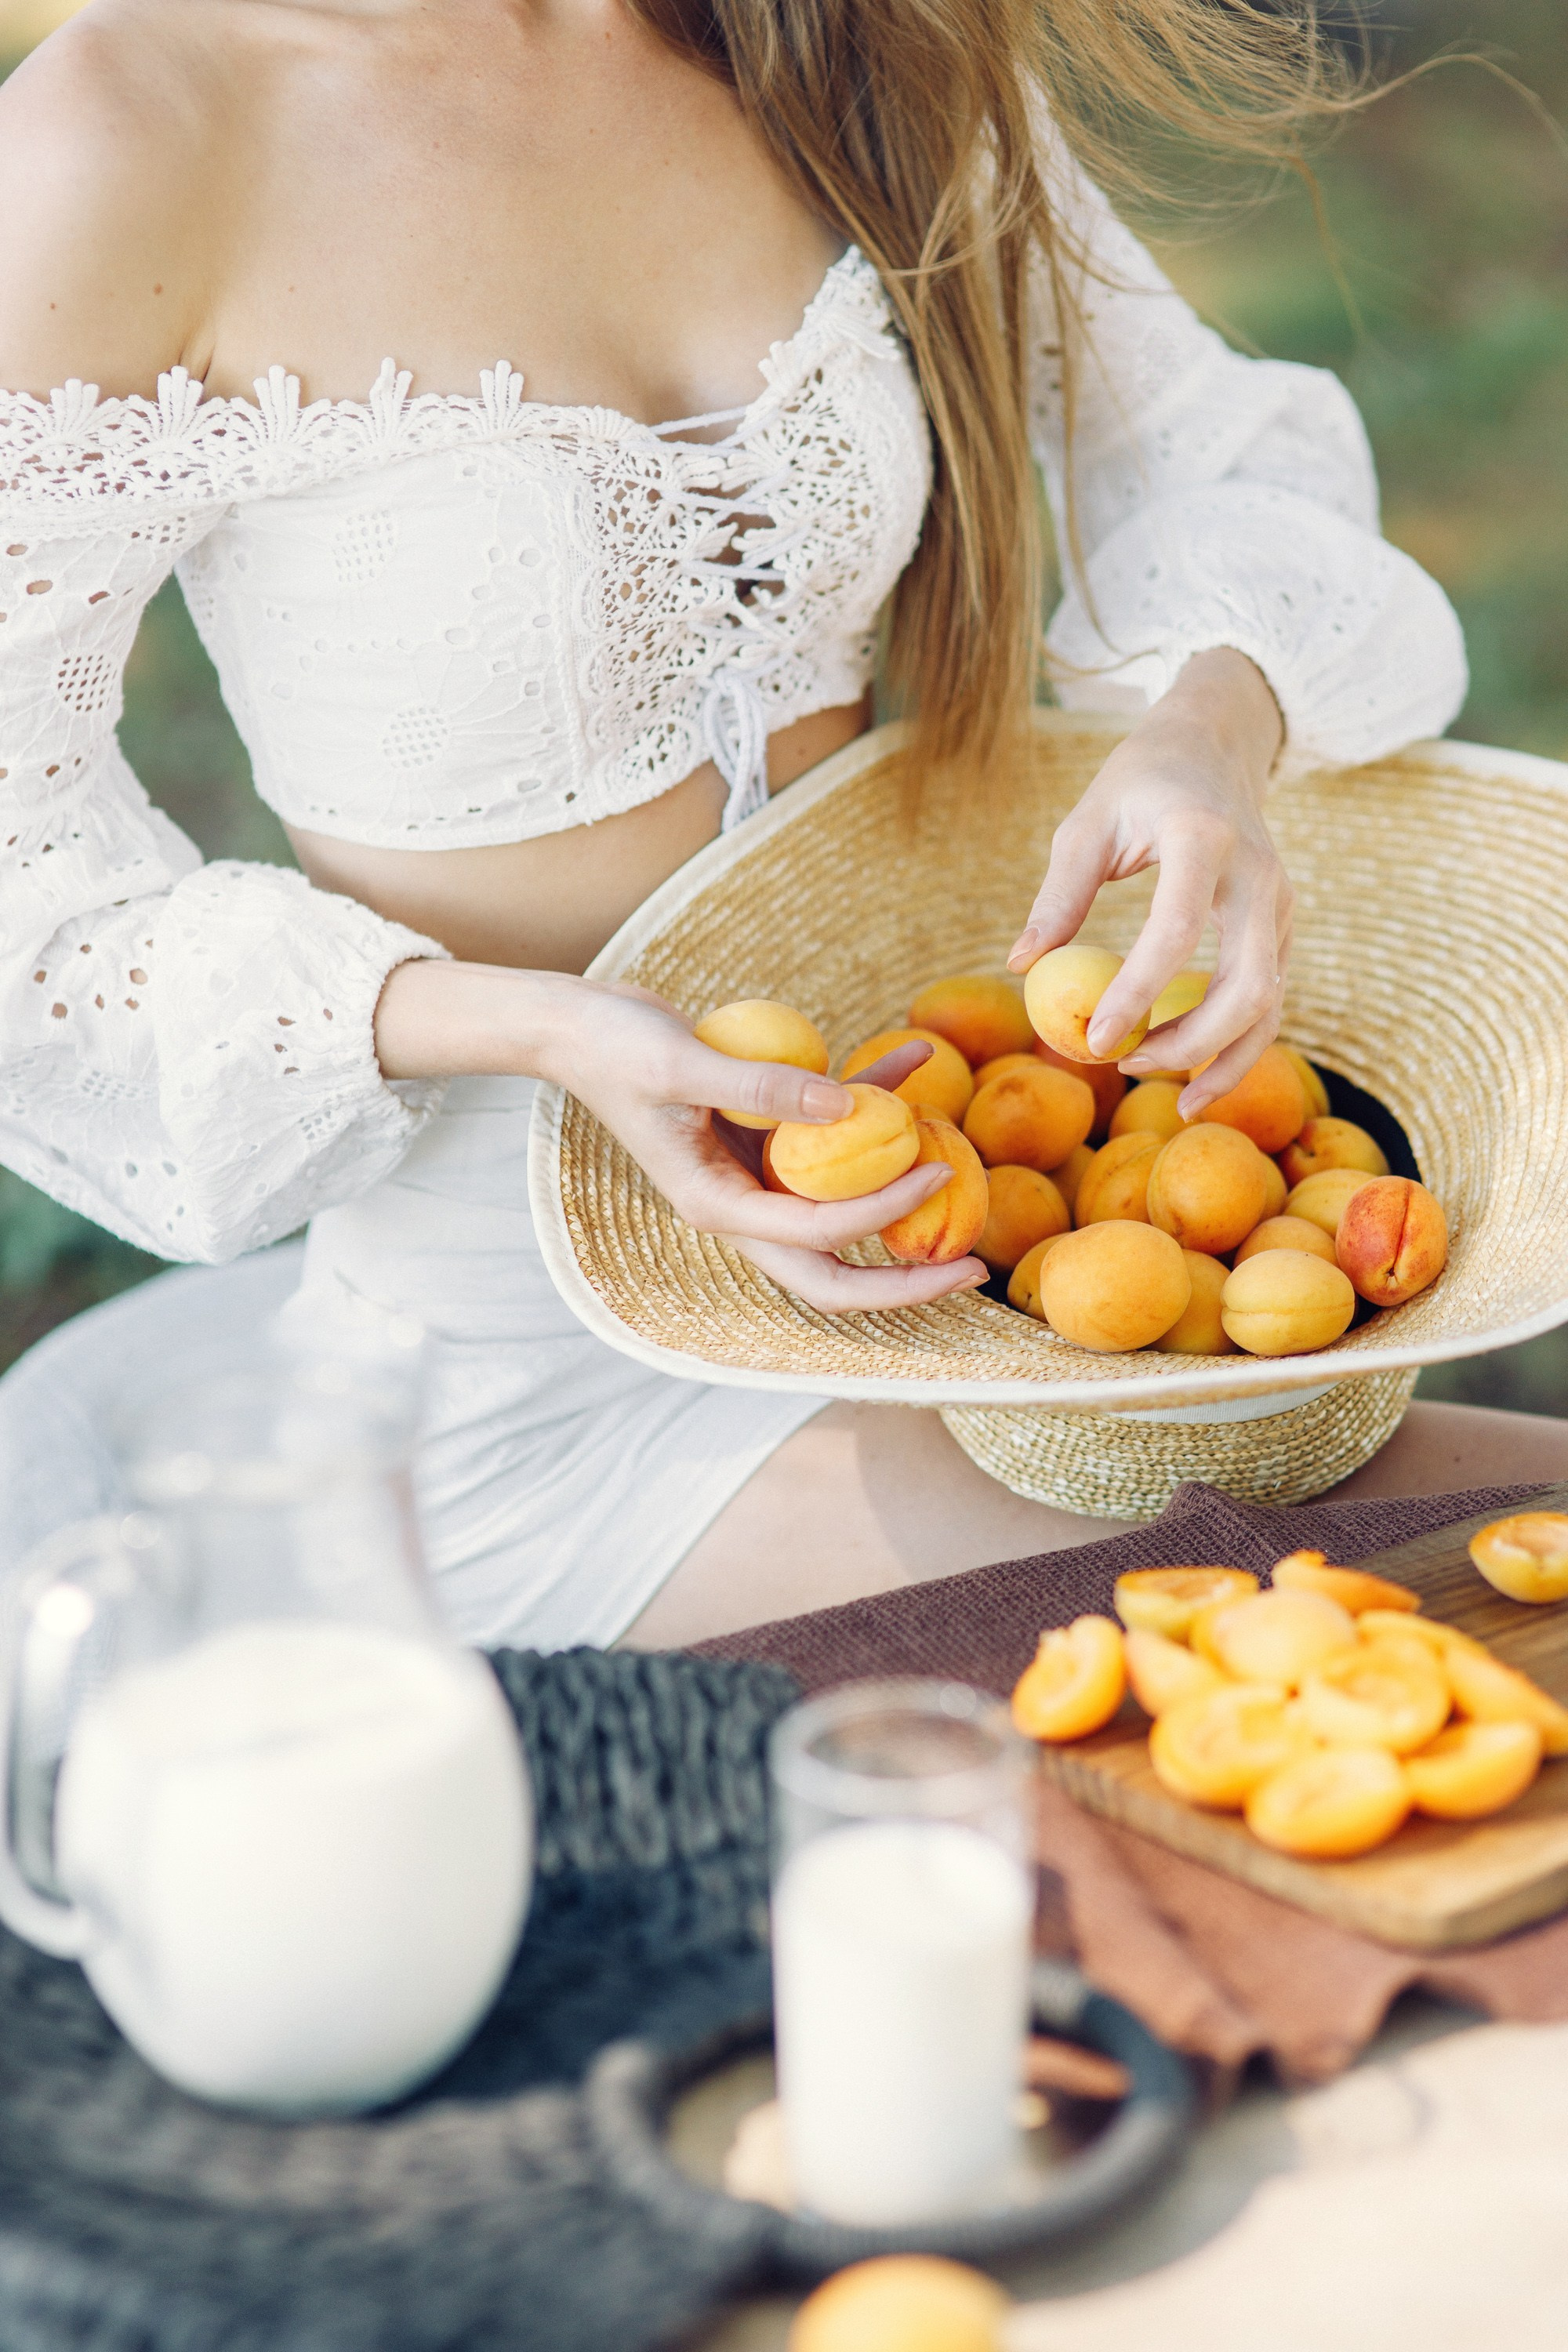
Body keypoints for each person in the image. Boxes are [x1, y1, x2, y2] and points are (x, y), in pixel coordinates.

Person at [2, 0, 1562, 1650]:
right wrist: (537, 1027)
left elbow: (1206, 444)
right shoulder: (133, 134)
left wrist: (1206, 730)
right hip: (532, 1387)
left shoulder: (820, 28)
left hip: (972, 1263)